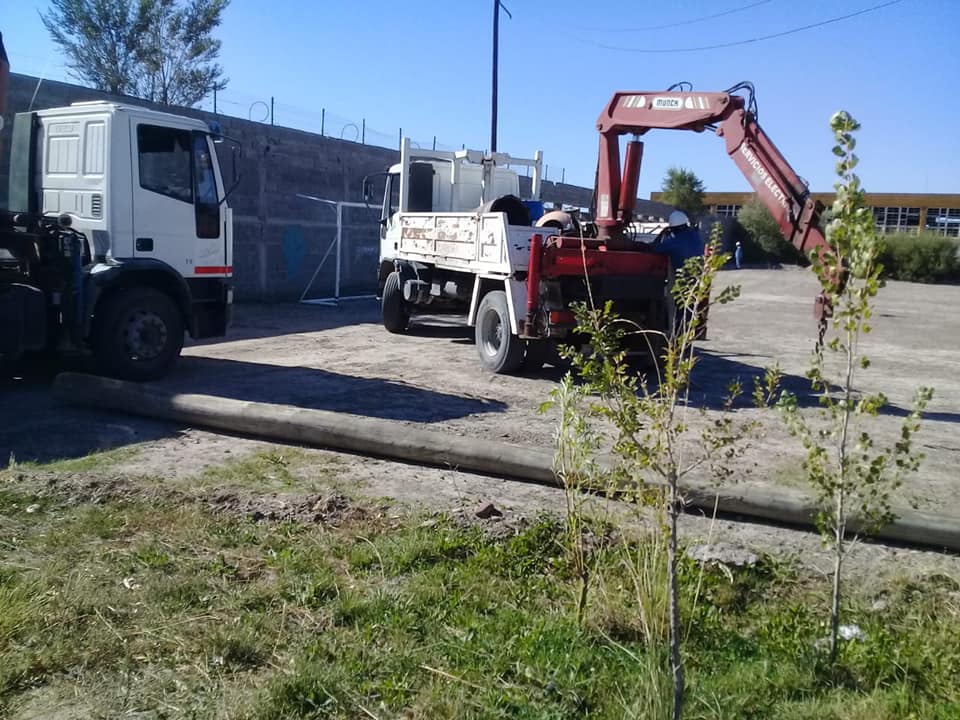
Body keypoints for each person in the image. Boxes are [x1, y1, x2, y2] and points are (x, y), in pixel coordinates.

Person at [655, 210, 707, 339]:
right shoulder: (696, 237)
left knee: (679, 311)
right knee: (689, 310)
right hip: (697, 278)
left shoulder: (673, 242)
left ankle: (677, 339)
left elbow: (655, 248)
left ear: (673, 228)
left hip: (683, 280)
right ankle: (687, 338)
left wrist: (663, 234)